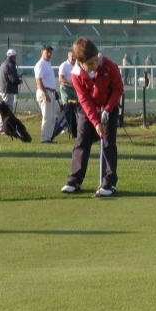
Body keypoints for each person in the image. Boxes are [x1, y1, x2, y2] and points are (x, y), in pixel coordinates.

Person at [61, 37, 124, 197]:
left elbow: (118, 89)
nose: (96, 64)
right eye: (91, 63)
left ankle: (109, 183)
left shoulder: (109, 66)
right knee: (81, 142)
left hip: (110, 107)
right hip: (88, 109)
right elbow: (84, 99)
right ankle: (74, 180)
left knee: (108, 144)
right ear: (81, 62)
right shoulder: (76, 74)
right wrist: (95, 122)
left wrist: (108, 110)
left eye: (96, 60)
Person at [0, 49, 23, 133]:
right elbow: (12, 79)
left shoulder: (4, 64)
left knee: (6, 110)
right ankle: (1, 128)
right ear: (13, 56)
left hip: (4, 89)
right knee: (7, 111)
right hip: (8, 90)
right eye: (16, 56)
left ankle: (3, 127)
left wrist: (17, 77)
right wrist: (19, 81)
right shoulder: (10, 65)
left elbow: (9, 76)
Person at [34, 44, 57, 143]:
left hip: (50, 91)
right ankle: (45, 138)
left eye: (50, 52)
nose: (49, 54)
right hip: (45, 92)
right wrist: (45, 94)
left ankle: (49, 137)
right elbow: (38, 80)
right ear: (42, 52)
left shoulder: (48, 64)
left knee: (52, 117)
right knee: (47, 117)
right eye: (47, 51)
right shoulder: (40, 64)